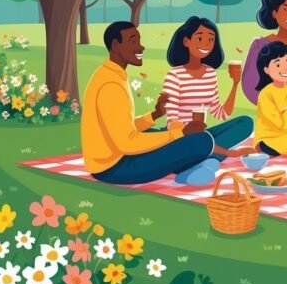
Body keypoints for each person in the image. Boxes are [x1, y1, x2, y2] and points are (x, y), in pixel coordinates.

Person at [81, 22, 253, 186]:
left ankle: (201, 157)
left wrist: (154, 115)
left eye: (211, 39)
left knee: (235, 125)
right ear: (115, 45)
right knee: (201, 141)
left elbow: (123, 128)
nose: (141, 47)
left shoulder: (112, 75)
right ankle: (194, 168)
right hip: (115, 167)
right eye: (133, 41)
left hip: (121, 155)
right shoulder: (111, 85)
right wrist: (181, 133)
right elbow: (127, 142)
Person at [161, 16, 254, 184]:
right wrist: (227, 152)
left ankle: (198, 162)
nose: (206, 43)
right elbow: (172, 121)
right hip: (180, 137)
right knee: (197, 143)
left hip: (203, 135)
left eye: (211, 39)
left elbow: (221, 113)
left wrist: (235, 84)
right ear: (186, 41)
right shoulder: (174, 75)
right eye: (200, 38)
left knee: (246, 122)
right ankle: (198, 164)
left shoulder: (210, 73)